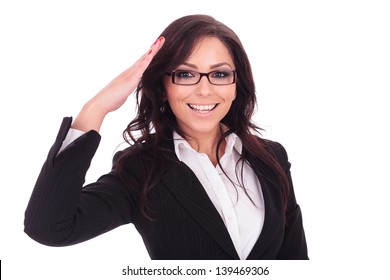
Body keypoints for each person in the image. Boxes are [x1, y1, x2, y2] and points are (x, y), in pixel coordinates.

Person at [24, 14, 308, 260]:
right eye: (185, 74)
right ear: (162, 86)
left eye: (219, 74)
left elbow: (294, 259)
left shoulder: (271, 158)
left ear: (237, 85)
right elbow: (48, 228)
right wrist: (96, 108)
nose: (205, 90)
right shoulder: (139, 170)